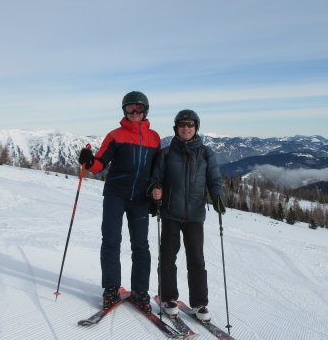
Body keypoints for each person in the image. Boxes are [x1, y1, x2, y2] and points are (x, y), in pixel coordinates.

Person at [78, 91, 160, 313]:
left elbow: (157, 172)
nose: (134, 112)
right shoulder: (115, 135)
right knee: (111, 240)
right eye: (129, 108)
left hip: (141, 199)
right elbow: (100, 164)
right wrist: (89, 161)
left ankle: (140, 292)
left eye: (138, 108)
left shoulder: (154, 138)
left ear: (145, 111)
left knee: (141, 246)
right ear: (124, 111)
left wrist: (156, 194)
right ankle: (111, 289)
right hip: (115, 195)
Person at [151, 109, 225, 321]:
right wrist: (155, 190)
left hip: (195, 215)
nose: (186, 128)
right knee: (167, 257)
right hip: (170, 213)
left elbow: (214, 180)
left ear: (196, 128)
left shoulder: (206, 153)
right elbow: (156, 179)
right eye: (182, 124)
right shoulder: (166, 153)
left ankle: (199, 303)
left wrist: (218, 196)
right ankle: (168, 299)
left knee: (196, 259)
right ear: (176, 128)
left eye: (190, 125)